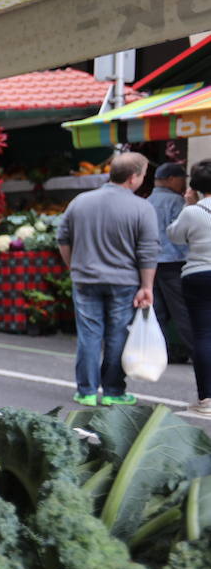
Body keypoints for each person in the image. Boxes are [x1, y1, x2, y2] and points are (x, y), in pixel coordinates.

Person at [56, 151, 158, 407]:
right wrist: (147, 286)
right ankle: (113, 391)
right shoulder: (142, 207)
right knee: (117, 335)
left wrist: (73, 266)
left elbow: (62, 238)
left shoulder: (80, 202)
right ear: (133, 177)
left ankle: (87, 391)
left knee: (89, 334)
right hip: (124, 281)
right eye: (143, 175)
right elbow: (148, 251)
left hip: (85, 278)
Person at [166, 159, 211, 416]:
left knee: (204, 336)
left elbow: (174, 235)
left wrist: (188, 204)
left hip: (199, 276)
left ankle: (207, 399)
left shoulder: (192, 211)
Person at [148, 161, 195, 363]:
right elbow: (184, 234)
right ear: (170, 179)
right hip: (173, 263)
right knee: (182, 310)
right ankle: (197, 352)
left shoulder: (146, 202)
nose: (183, 184)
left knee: (157, 312)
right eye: (181, 180)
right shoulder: (176, 202)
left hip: (150, 265)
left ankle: (161, 352)